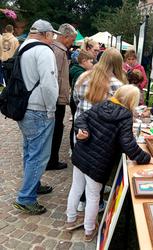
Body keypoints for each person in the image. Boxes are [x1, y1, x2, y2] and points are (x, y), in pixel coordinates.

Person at [65, 85, 153, 241]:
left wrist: (82, 129)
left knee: (76, 187)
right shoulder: (125, 116)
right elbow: (129, 145)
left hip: (82, 155)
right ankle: (89, 230)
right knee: (93, 195)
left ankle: (70, 219)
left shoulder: (103, 103)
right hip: (98, 162)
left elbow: (82, 117)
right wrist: (148, 158)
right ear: (131, 101)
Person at [12, 19, 60, 214]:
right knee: (39, 156)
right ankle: (26, 198)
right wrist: (51, 109)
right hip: (38, 109)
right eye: (52, 34)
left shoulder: (23, 47)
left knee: (30, 151)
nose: (53, 38)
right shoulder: (44, 51)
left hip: (24, 107)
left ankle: (34, 184)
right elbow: (49, 83)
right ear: (45, 34)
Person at [73, 47, 126, 212]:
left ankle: (81, 203)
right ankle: (95, 205)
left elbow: (75, 100)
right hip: (103, 135)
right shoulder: (117, 84)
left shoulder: (83, 76)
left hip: (81, 128)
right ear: (118, 64)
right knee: (98, 171)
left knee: (81, 169)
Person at [46, 23, 77, 171]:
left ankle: (52, 159)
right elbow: (54, 77)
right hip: (56, 99)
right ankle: (52, 160)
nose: (73, 42)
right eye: (72, 39)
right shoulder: (58, 52)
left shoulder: (57, 49)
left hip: (57, 97)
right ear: (65, 37)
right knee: (56, 129)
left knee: (57, 128)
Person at [69, 50, 94, 150]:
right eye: (91, 62)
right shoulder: (81, 74)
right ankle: (74, 149)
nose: (92, 64)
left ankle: (73, 148)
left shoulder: (76, 70)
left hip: (75, 102)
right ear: (84, 61)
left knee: (76, 125)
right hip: (78, 103)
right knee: (77, 127)